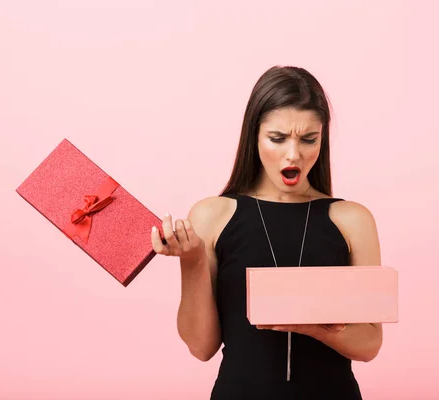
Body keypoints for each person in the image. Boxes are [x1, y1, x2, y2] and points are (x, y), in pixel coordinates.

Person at [150, 65, 383, 399]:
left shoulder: (352, 220)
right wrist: (192, 260)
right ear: (254, 135)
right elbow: (201, 347)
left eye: (308, 139)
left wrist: (310, 325)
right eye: (277, 138)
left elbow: (369, 344)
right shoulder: (213, 215)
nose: (294, 154)